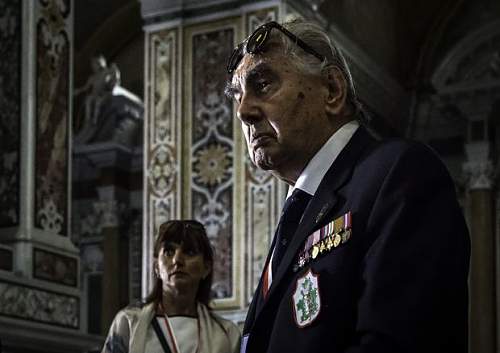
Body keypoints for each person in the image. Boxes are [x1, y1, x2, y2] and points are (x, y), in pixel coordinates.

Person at [225, 19, 470, 353]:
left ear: (331, 90)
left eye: (264, 84)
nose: (243, 111)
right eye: (237, 96)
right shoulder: (299, 212)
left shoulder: (398, 175)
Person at [101, 220, 240, 353]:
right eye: (169, 252)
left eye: (189, 252)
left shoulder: (227, 334)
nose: (177, 260)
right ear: (156, 266)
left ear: (206, 267)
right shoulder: (129, 322)